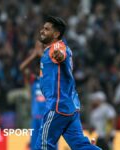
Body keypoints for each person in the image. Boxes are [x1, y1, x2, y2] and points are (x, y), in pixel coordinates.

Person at [35, 15, 101, 150]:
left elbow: (61, 54)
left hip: (57, 106)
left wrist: (60, 56)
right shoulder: (51, 49)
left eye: (47, 29)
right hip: (69, 107)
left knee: (43, 145)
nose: (42, 31)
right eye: (43, 28)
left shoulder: (58, 47)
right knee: (80, 145)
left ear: (56, 34)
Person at [20, 42, 59, 150]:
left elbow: (54, 67)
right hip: (36, 117)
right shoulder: (34, 80)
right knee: (35, 146)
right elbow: (22, 68)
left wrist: (41, 54)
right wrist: (33, 55)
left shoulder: (50, 79)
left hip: (49, 118)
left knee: (50, 145)